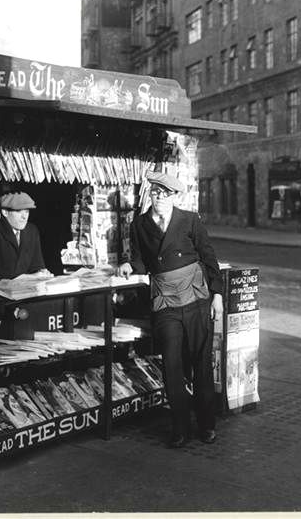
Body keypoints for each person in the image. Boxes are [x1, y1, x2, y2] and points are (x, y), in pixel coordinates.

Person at [118, 171, 223, 448]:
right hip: (165, 302)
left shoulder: (190, 220)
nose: (160, 197)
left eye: (166, 194)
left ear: (176, 196)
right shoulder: (139, 224)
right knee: (172, 366)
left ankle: (207, 425)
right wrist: (131, 266)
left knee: (201, 363)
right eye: (155, 192)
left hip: (196, 299)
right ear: (150, 194)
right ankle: (179, 428)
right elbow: (142, 261)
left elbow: (209, 257)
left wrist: (218, 295)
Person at [0, 191, 47, 281]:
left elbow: (37, 266)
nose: (24, 217)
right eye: (18, 211)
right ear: (5, 212)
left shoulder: (32, 231)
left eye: (26, 211)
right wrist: (32, 277)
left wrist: (42, 273)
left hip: (25, 289)